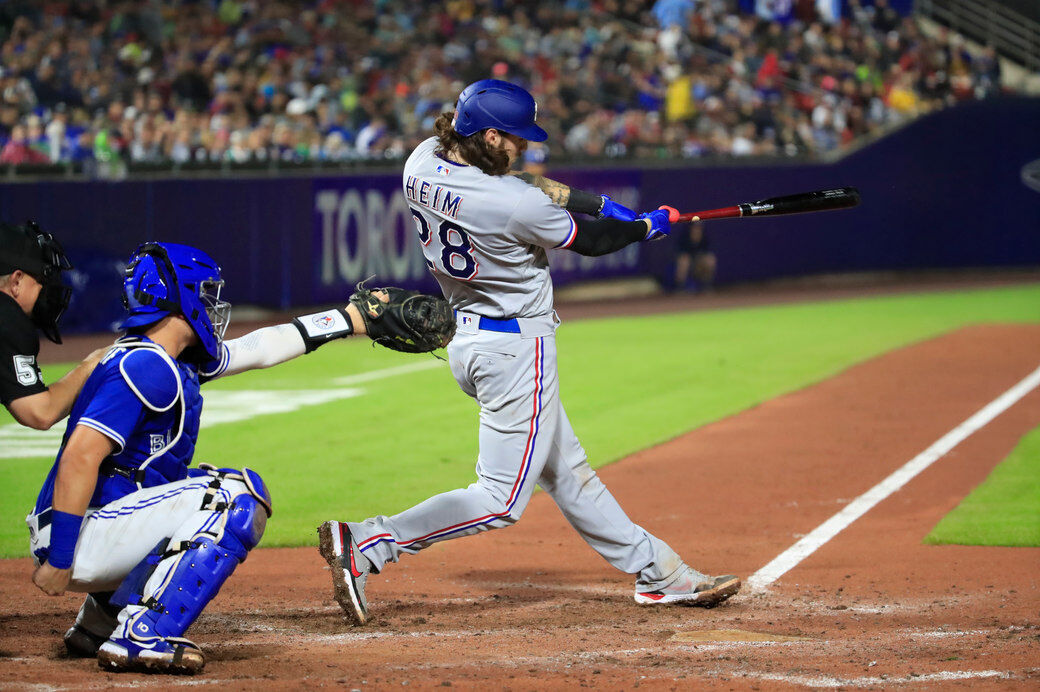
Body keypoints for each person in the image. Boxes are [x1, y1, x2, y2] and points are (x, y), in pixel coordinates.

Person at [318, 79, 740, 627]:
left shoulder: (421, 160)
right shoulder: (511, 205)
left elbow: (525, 183)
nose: (525, 147)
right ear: (490, 135)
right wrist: (643, 226)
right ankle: (369, 542)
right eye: (517, 138)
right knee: (499, 499)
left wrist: (598, 203)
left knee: (568, 472)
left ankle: (659, 573)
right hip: (516, 352)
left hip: (470, 339)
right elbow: (589, 241)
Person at [26, 241, 400, 674]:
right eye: (202, 292)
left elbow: (258, 347)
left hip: (93, 525)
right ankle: (143, 634)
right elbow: (78, 459)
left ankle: (99, 623)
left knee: (183, 484)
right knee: (233, 499)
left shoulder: (167, 359)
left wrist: (345, 320)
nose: (211, 303)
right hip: (77, 536)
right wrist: (60, 560)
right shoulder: (145, 366)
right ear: (175, 295)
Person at [0, 220, 106, 429]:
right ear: (16, 281)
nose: (44, 288)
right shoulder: (6, 316)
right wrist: (91, 365)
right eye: (40, 279)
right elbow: (40, 412)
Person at [673, 219, 717, 293]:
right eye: (695, 227)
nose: (697, 230)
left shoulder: (704, 238)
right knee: (684, 261)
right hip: (686, 262)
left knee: (710, 260)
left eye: (699, 228)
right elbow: (680, 253)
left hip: (698, 263)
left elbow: (706, 252)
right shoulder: (684, 238)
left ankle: (706, 286)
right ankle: (680, 288)